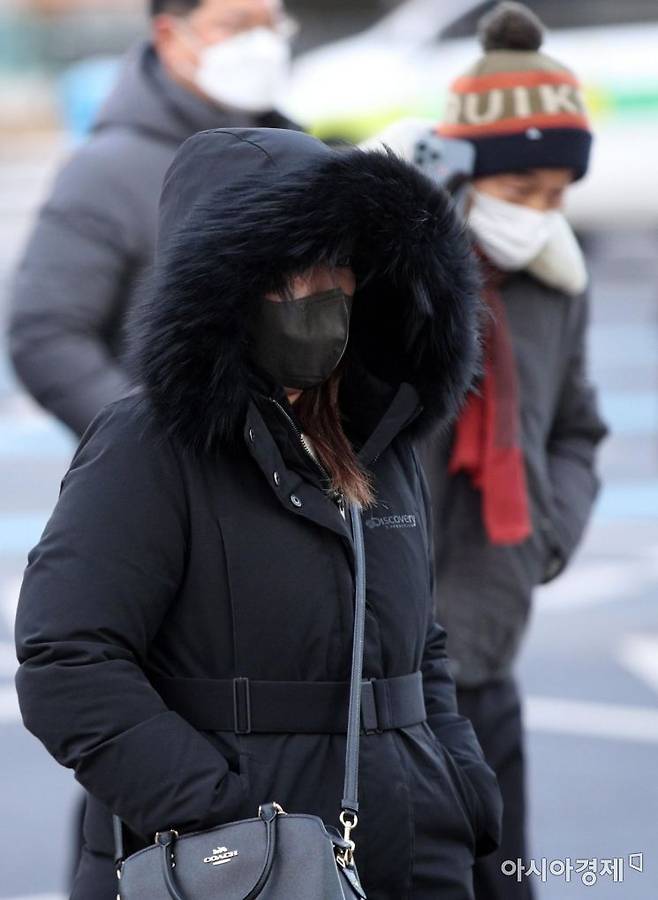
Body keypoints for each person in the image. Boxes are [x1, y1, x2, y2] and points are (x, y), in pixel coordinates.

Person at [14, 126, 503, 899]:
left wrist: (460, 784)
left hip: (413, 854)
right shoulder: (148, 443)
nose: (314, 299)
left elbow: (415, 644)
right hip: (236, 872)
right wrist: (224, 817)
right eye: (282, 280)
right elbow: (68, 659)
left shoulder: (381, 437)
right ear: (219, 293)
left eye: (331, 270)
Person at [413, 4, 609, 899]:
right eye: (523, 190)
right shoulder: (394, 273)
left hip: (490, 654)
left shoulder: (556, 281)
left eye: (558, 194)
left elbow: (576, 426)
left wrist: (549, 533)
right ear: (473, 174)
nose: (541, 214)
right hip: (382, 672)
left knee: (508, 878)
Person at [7, 0, 299, 438]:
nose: (260, 44)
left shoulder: (291, 152)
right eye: (235, 26)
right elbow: (45, 335)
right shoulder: (105, 171)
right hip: (174, 490)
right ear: (169, 36)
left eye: (271, 25)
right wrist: (154, 445)